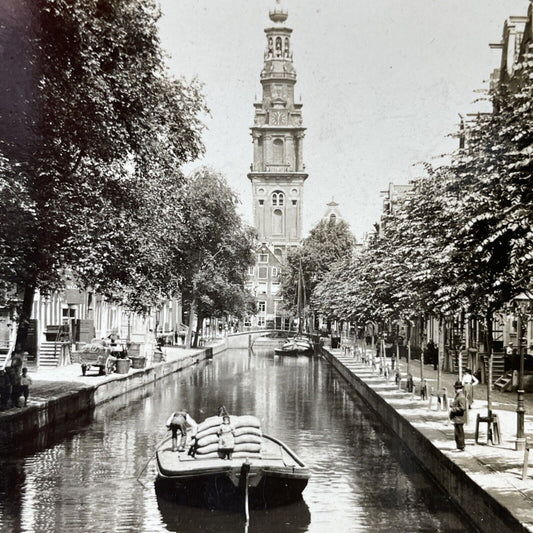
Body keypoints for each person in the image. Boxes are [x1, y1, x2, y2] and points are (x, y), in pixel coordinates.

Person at [449, 381, 467, 451]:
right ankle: (459, 446)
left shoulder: (461, 397)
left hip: (459, 418)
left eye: (456, 388)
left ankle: (461, 446)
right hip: (457, 418)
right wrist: (452, 404)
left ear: (460, 389)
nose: (455, 390)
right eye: (455, 388)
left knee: (459, 433)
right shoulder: (458, 395)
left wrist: (454, 409)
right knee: (457, 433)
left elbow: (463, 408)